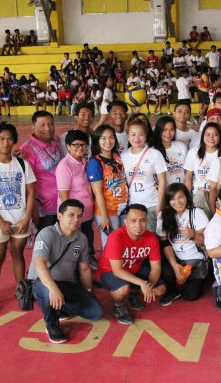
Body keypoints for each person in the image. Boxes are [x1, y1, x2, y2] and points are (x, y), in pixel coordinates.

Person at [0, 122, 36, 315]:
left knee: (18, 255)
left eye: (10, 139)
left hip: (20, 219)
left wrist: (27, 217)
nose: (6, 143)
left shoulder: (22, 164)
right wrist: (0, 221)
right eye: (1, 139)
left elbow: (31, 192)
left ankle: (22, 293)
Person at [29, 199, 103, 343]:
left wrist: (88, 291)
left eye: (79, 216)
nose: (76, 219)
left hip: (66, 284)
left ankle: (60, 307)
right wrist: (53, 288)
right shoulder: (47, 234)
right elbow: (40, 264)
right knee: (47, 290)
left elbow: (84, 268)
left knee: (96, 312)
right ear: (59, 216)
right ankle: (52, 324)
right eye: (71, 215)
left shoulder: (81, 239)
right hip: (42, 283)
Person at [97, 204, 166, 325]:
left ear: (147, 221)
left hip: (134, 270)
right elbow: (117, 270)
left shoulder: (151, 238)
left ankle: (132, 294)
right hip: (109, 272)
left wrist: (148, 287)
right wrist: (141, 283)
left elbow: (156, 267)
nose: (138, 225)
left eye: (142, 220)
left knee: (160, 290)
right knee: (123, 289)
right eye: (133, 220)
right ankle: (119, 306)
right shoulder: (116, 237)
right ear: (126, 222)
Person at [157, 183, 210, 305]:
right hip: (176, 258)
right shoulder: (163, 216)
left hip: (195, 259)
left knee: (191, 296)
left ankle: (188, 282)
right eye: (173, 199)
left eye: (181, 197)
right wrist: (174, 265)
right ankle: (173, 289)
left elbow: (207, 242)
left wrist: (193, 235)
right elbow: (164, 243)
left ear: (187, 197)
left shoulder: (197, 213)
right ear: (168, 201)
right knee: (166, 271)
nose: (178, 202)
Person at [20, 111, 65, 231]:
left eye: (51, 124)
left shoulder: (56, 140)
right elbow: (25, 184)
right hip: (44, 211)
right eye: (42, 125)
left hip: (62, 204)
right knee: (47, 245)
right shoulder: (27, 150)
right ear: (33, 127)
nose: (48, 128)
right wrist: (33, 210)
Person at [120, 120, 167, 232]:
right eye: (133, 134)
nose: (137, 138)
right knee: (135, 236)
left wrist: (159, 206)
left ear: (146, 135)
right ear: (128, 136)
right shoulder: (123, 155)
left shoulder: (154, 154)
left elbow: (162, 181)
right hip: (133, 205)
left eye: (141, 134)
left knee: (151, 237)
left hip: (152, 204)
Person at [56, 129, 95, 264]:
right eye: (76, 145)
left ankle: (87, 270)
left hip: (87, 214)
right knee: (75, 248)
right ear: (67, 146)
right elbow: (63, 196)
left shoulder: (85, 161)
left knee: (87, 243)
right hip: (75, 217)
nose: (80, 148)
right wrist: (72, 218)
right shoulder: (64, 166)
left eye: (83, 145)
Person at [87, 124, 128, 248]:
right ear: (97, 140)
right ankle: (108, 268)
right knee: (111, 245)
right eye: (103, 138)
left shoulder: (117, 156)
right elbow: (97, 193)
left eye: (111, 137)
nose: (108, 141)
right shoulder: (95, 162)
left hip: (122, 208)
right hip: (107, 210)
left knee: (123, 242)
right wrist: (104, 216)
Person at [184, 122, 221, 218]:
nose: (211, 138)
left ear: (220, 137)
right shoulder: (193, 152)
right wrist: (188, 197)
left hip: (219, 195)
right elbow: (188, 177)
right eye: (208, 134)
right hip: (199, 194)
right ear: (203, 136)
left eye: (215, 135)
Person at [153, 116, 188, 185]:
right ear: (158, 130)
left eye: (171, 130)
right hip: (165, 192)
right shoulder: (153, 151)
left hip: (182, 190)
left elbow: (188, 171)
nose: (168, 134)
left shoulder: (181, 146)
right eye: (164, 130)